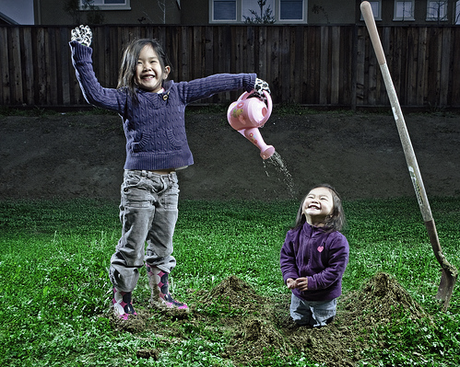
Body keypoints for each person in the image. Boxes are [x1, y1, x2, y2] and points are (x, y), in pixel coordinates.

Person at [69, 25, 270, 320]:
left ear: (165, 69)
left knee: (164, 243)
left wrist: (250, 80)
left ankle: (161, 296)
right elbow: (95, 94)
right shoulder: (127, 99)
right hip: (139, 183)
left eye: (152, 62)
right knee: (133, 243)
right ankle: (122, 300)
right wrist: (81, 52)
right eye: (138, 63)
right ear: (130, 72)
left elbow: (212, 83)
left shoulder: (179, 92)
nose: (146, 67)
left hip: (170, 183)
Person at [280, 184, 349, 327]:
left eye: (323, 198)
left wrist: (312, 282)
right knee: (298, 318)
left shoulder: (337, 240)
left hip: (323, 297)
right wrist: (290, 277)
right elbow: (287, 258)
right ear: (303, 211)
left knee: (321, 323)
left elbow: (335, 270)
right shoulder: (293, 235)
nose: (314, 200)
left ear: (333, 214)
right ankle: (301, 325)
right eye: (310, 197)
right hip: (299, 295)